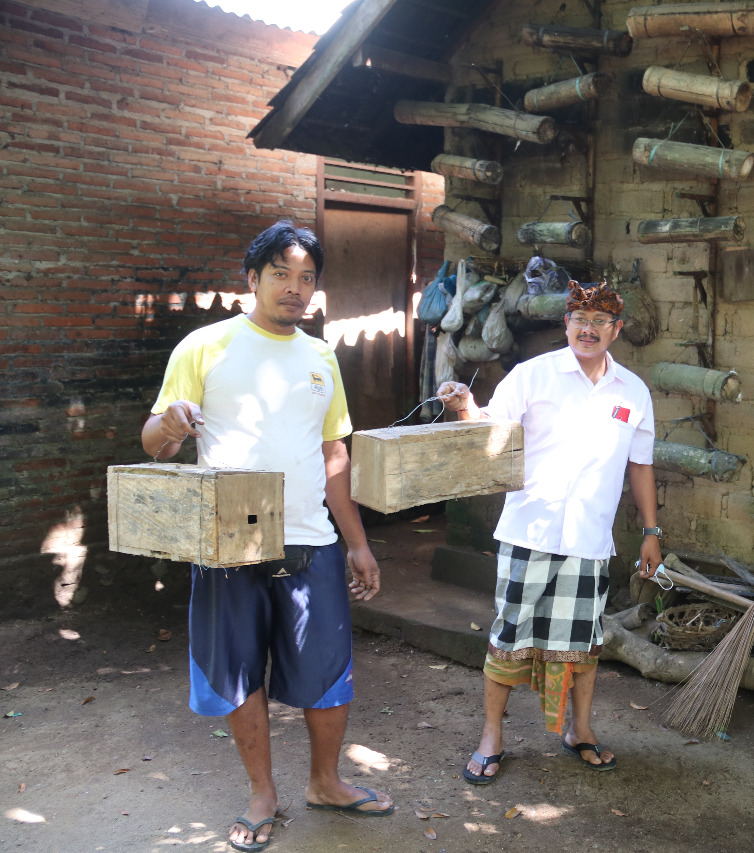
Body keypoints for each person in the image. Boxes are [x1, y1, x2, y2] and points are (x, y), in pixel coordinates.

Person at [140, 221, 394, 852]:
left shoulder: (320, 357)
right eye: (281, 274)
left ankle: (326, 782)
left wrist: (357, 542)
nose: (294, 288)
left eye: (306, 277)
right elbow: (154, 443)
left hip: (311, 539)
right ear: (252, 279)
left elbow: (334, 454)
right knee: (236, 671)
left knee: (327, 670)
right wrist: (170, 423)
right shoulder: (206, 346)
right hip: (229, 541)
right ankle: (262, 794)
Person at [437, 280, 663, 784]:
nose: (589, 330)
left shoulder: (632, 391)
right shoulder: (532, 375)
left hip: (589, 540)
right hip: (529, 531)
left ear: (617, 330)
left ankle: (580, 730)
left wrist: (652, 532)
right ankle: (491, 737)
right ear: (566, 324)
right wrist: (464, 406)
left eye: (600, 322)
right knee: (508, 636)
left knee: (584, 642)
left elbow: (641, 465)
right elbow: (489, 429)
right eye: (580, 320)